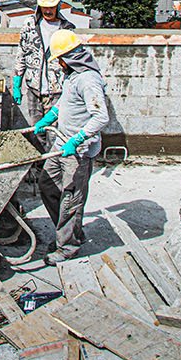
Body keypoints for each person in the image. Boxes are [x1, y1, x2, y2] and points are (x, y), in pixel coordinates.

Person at [31, 29, 113, 264]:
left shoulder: (88, 80)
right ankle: (67, 232)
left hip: (77, 150)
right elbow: (66, 102)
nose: (58, 64)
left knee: (71, 197)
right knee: (47, 184)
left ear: (69, 57)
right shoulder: (72, 75)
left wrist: (76, 140)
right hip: (60, 143)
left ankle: (68, 246)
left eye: (59, 60)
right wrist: (50, 117)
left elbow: (100, 117)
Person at [10, 0, 74, 131]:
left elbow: (72, 62)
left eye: (51, 7)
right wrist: (17, 82)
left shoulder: (66, 29)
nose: (48, 11)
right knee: (37, 131)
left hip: (56, 91)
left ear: (58, 5)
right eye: (45, 7)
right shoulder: (30, 25)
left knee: (53, 131)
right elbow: (22, 53)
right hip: (34, 89)